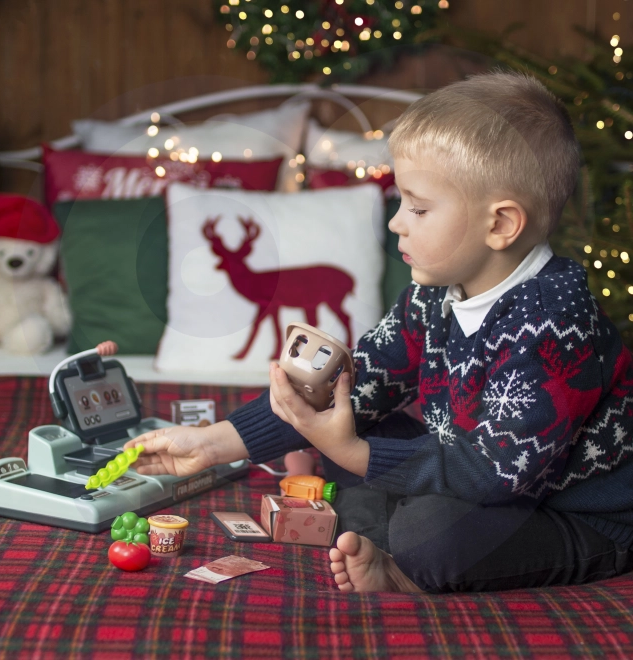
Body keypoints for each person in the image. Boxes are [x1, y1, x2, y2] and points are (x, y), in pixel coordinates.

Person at [125, 71, 633, 593]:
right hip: (477, 477)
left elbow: (496, 474)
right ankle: (386, 536)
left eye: (417, 207)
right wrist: (211, 444)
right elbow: (362, 380)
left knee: (428, 533)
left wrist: (353, 455)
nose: (396, 223)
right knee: (341, 418)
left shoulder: (555, 323)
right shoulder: (434, 291)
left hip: (569, 511)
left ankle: (401, 565)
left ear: (500, 225)